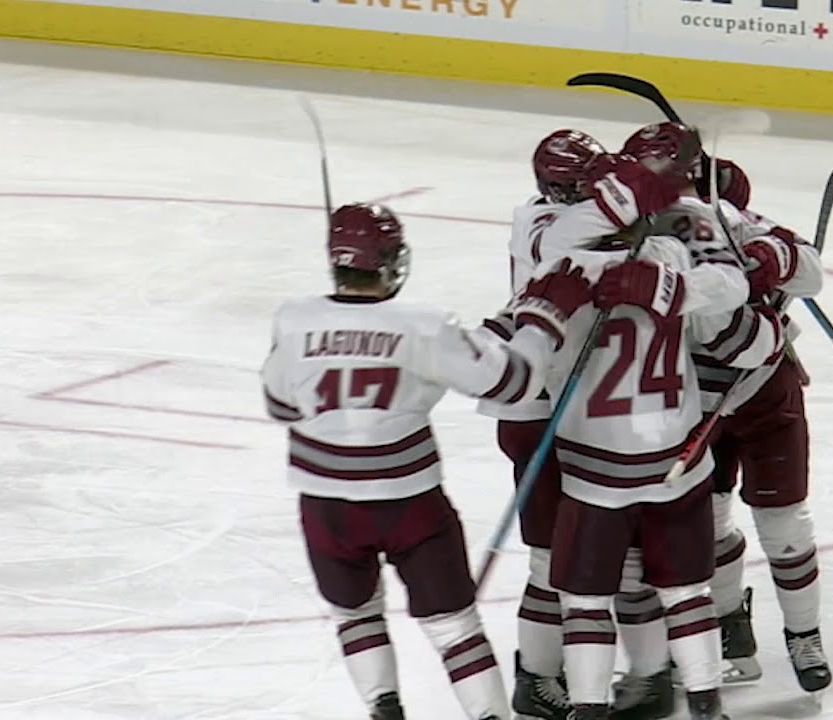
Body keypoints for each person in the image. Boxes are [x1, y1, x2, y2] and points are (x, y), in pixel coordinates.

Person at [261, 202, 593, 720]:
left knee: (356, 614)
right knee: (453, 627)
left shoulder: (294, 318)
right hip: (408, 504)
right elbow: (513, 383)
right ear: (389, 259)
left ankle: (383, 706)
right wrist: (543, 321)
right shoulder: (425, 325)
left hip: (326, 506)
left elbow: (280, 404)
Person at [537, 122, 786, 720]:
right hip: (675, 458)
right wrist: (762, 326)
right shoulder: (671, 253)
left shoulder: (558, 255)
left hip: (593, 468)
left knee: (586, 601)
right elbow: (730, 294)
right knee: (687, 591)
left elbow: (521, 356)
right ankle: (706, 704)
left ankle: (590, 709)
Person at [473, 128, 607, 720]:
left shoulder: (559, 214)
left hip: (561, 404)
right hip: (538, 409)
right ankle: (536, 673)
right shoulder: (545, 225)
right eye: (583, 185)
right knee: (552, 558)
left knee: (585, 551)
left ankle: (573, 663)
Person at [700, 160, 833, 694]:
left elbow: (811, 272)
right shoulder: (663, 241)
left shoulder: (751, 229)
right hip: (697, 403)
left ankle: (804, 634)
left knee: (784, 526)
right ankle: (730, 624)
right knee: (707, 521)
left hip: (765, 397)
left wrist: (776, 260)